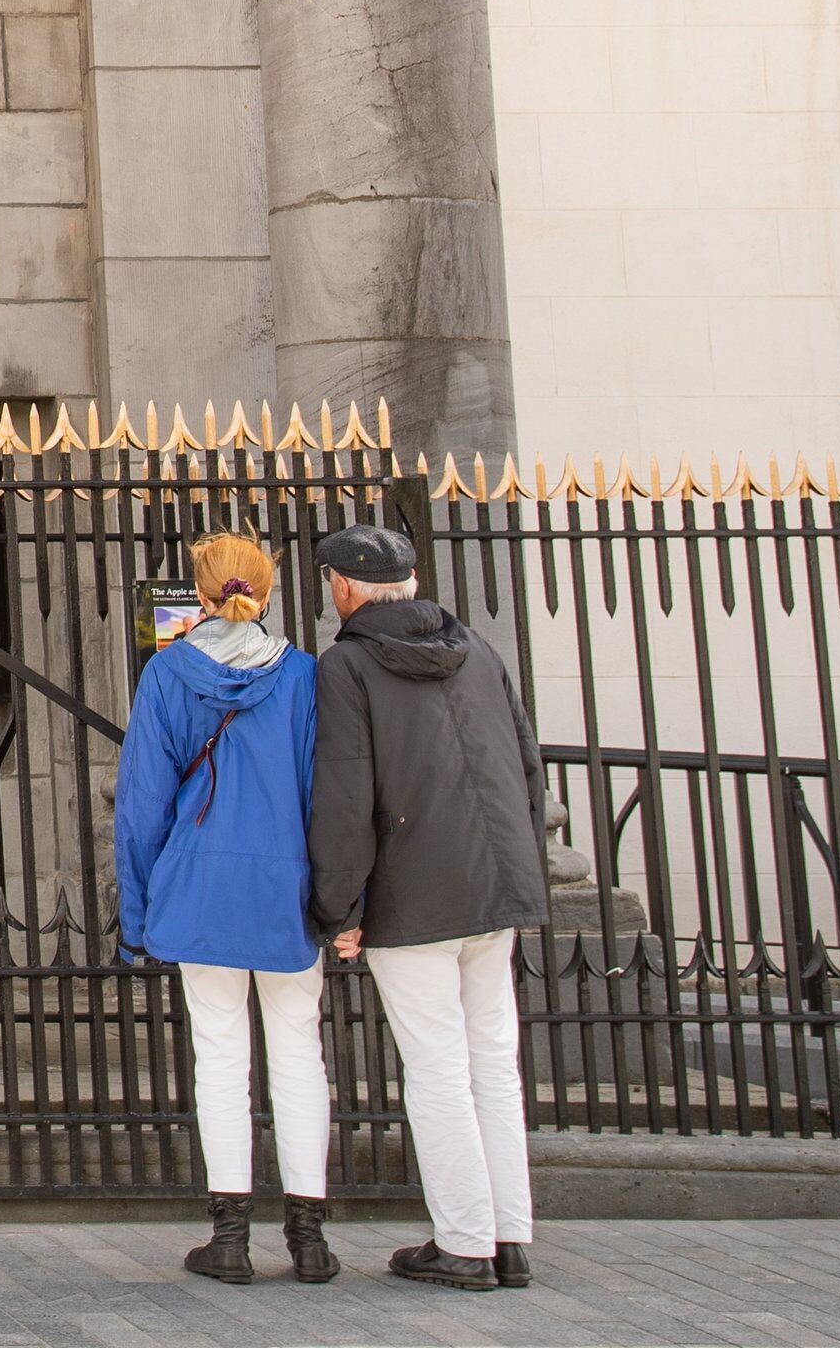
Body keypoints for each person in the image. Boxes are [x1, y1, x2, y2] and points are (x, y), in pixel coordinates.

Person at [308, 523, 550, 1293]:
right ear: (411, 582)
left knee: (437, 1066)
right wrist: (520, 867)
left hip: (413, 892)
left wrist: (338, 906)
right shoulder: (476, 649)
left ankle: (465, 1242)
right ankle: (508, 1234)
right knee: (493, 1065)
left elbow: (345, 796)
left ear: (343, 588)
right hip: (494, 882)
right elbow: (526, 763)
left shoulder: (346, 665)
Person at [116, 532, 337, 1288]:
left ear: (199, 593)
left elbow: (142, 805)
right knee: (299, 1056)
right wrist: (340, 901)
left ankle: (231, 1235)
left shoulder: (169, 673)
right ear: (267, 592)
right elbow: (325, 797)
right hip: (287, 888)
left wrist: (137, 911)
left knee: (220, 1057)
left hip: (201, 883)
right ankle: (309, 1237)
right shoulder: (304, 676)